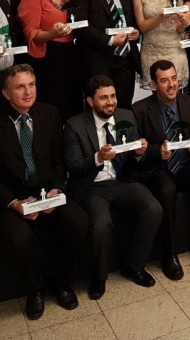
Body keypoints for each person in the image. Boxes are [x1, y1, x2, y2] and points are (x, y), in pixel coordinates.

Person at [0, 65, 89, 320]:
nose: (28, 92)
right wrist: (14, 203)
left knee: (79, 221)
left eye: (31, 85)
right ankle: (34, 290)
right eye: (20, 87)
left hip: (45, 191)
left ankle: (61, 282)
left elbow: (58, 161)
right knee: (20, 238)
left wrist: (56, 189)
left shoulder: (49, 113)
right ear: (6, 93)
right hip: (9, 196)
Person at [63, 75, 163, 299]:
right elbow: (74, 168)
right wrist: (98, 157)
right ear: (90, 101)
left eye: (113, 96)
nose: (110, 102)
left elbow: (136, 161)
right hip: (93, 186)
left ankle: (134, 266)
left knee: (154, 209)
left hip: (122, 180)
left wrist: (139, 153)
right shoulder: (74, 125)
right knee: (102, 225)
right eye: (103, 98)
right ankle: (99, 277)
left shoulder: (126, 116)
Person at [132, 60, 190, 280]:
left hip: (185, 164)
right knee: (167, 190)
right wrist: (156, 151)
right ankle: (169, 254)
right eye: (164, 80)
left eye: (174, 78)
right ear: (154, 84)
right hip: (159, 167)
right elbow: (138, 148)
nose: (172, 84)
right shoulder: (140, 109)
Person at [70, 0, 141, 110]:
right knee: (100, 110)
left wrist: (135, 30)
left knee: (124, 109)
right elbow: (80, 25)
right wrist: (110, 40)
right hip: (98, 62)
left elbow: (132, 17)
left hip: (126, 60)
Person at [17, 0, 81, 121]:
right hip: (47, 58)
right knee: (51, 107)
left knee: (71, 104)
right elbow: (31, 34)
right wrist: (52, 34)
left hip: (70, 55)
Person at [131, 0, 190, 90]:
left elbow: (179, 28)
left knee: (174, 94)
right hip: (151, 51)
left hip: (175, 50)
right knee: (156, 95)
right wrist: (160, 17)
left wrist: (185, 22)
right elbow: (142, 26)